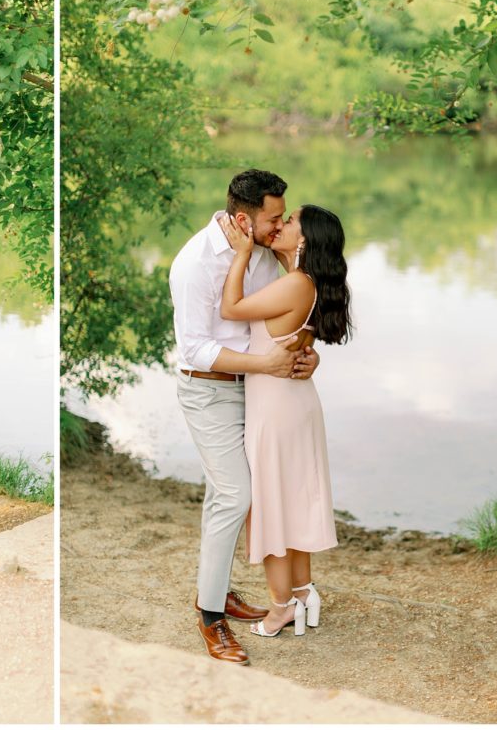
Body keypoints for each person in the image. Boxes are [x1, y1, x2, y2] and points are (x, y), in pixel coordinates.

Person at [168, 169, 320, 665]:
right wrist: (267, 364)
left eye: (282, 219)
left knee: (228, 495)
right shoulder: (194, 264)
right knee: (236, 494)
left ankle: (221, 591)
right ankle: (210, 617)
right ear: (242, 218)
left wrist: (306, 353)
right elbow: (195, 349)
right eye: (273, 219)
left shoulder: (264, 255)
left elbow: (289, 316)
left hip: (257, 393)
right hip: (209, 392)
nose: (279, 228)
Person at [219, 204, 352, 638]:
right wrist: (277, 248)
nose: (280, 225)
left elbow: (231, 307)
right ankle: (301, 592)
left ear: (306, 241)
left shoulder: (296, 285)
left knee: (272, 508)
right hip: (293, 404)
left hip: (276, 409)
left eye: (289, 221)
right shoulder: (307, 282)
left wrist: (240, 253)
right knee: (291, 504)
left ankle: (280, 610)